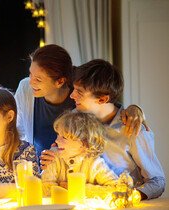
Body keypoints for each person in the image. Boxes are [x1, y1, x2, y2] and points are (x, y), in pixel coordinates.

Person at [46, 59, 165, 200]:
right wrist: (54, 158)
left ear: (102, 99)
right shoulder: (73, 121)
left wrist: (130, 196)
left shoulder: (133, 130)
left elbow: (157, 181)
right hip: (80, 206)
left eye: (79, 92)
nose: (72, 96)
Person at [14, 44, 147, 167]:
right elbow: (16, 130)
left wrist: (135, 109)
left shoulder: (80, 101)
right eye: (30, 74)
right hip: (40, 171)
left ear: (60, 81)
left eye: (38, 79)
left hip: (70, 173)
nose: (31, 82)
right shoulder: (26, 89)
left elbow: (106, 105)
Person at [41, 111, 118, 200]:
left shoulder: (94, 162)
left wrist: (78, 189)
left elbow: (116, 189)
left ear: (84, 143)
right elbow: (46, 190)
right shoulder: (53, 156)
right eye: (58, 134)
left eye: (64, 138)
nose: (56, 141)